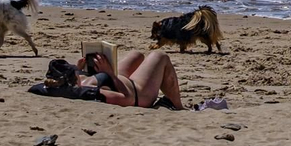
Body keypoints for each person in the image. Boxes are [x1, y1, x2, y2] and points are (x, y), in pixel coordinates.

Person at [32, 49, 183, 108]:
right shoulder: (92, 93)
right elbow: (127, 98)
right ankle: (177, 105)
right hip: (138, 92)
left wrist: (79, 69)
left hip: (118, 80)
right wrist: (109, 73)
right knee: (159, 56)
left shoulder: (53, 86)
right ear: (73, 81)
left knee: (136, 55)